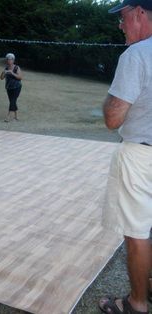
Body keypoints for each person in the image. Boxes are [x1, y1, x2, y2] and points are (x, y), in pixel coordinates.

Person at [98, 0, 152, 313]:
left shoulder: (137, 55)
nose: (120, 25)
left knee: (137, 232)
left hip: (142, 155)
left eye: (122, 18)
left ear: (139, 13)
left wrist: (110, 97)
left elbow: (113, 118)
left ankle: (137, 303)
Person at [0, 53, 22, 122]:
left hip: (17, 87)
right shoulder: (6, 68)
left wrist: (12, 73)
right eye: (7, 59)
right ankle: (16, 116)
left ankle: (8, 117)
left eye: (10, 59)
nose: (8, 61)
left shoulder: (16, 68)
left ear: (13, 60)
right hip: (9, 88)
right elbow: (1, 78)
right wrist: (3, 72)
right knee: (12, 101)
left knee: (12, 101)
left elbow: (20, 77)